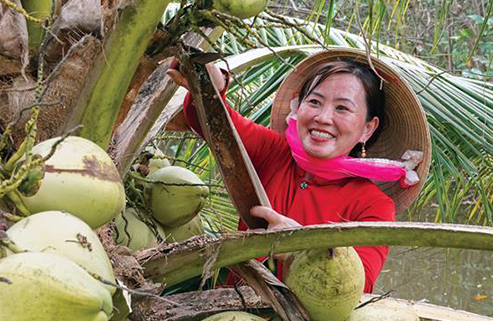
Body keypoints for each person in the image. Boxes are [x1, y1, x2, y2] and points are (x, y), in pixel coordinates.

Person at [167, 48, 431, 293]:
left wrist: (297, 248)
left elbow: (357, 288)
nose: (323, 117)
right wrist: (212, 84)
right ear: (298, 107)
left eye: (342, 108)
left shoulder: (373, 206)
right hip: (227, 319)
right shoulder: (274, 152)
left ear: (367, 129)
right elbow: (215, 123)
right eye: (314, 102)